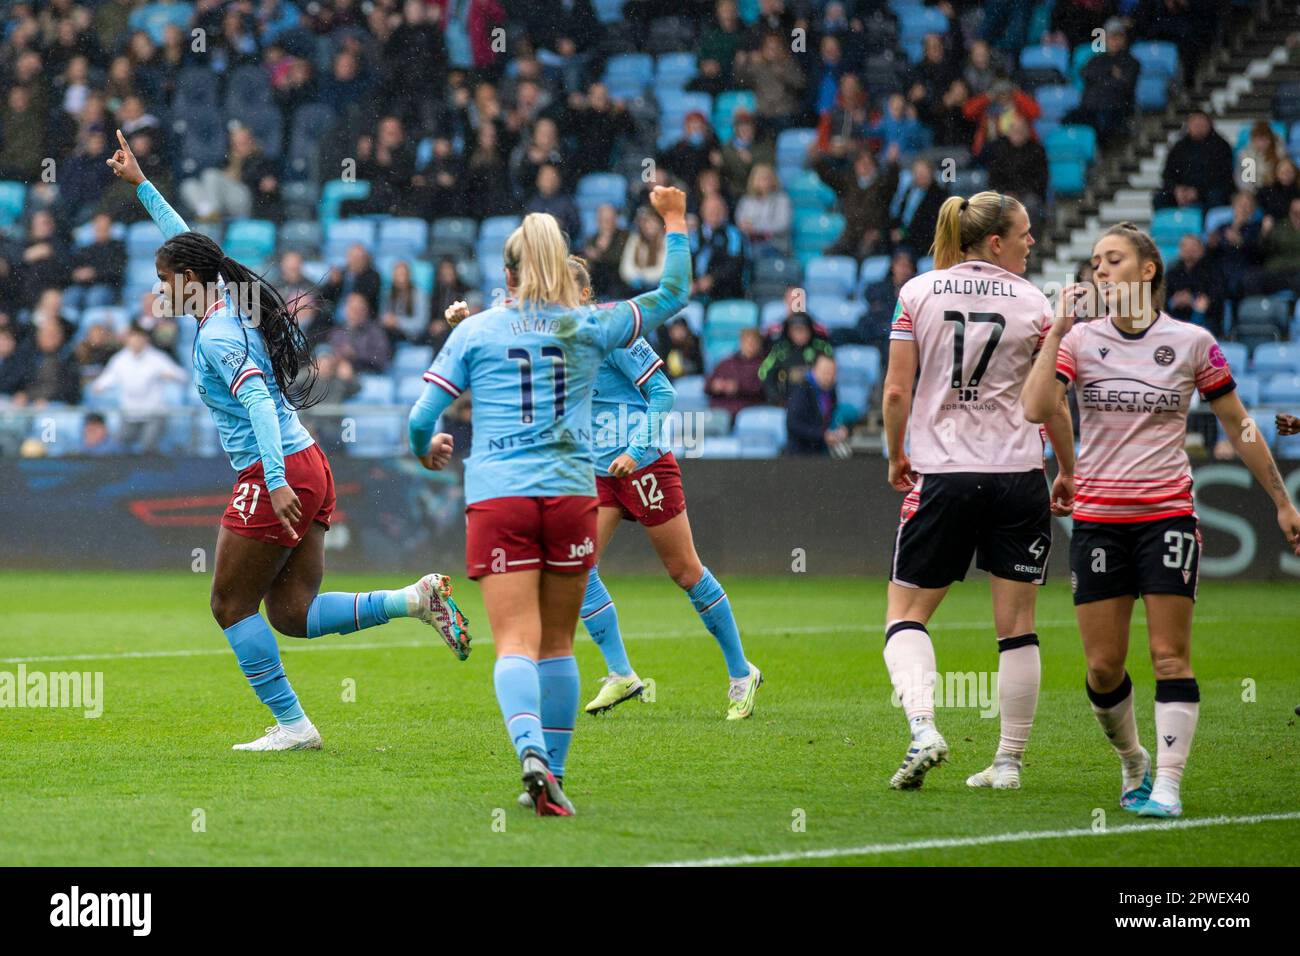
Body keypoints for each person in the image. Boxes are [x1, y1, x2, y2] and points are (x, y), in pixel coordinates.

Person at [106, 129, 470, 752]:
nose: (159, 288)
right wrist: (143, 188)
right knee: (292, 613)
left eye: (165, 278)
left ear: (187, 280)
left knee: (227, 604)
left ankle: (295, 726)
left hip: (277, 471)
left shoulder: (219, 335)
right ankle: (416, 599)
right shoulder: (224, 302)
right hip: (310, 462)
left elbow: (254, 402)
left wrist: (272, 484)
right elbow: (190, 240)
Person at [406, 187, 692, 816]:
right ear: (564, 271)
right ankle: (552, 779)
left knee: (515, 642)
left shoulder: (477, 329)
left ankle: (528, 749)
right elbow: (673, 295)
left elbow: (421, 418)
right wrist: (674, 221)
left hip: (499, 498)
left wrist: (428, 449)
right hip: (569, 494)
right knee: (560, 643)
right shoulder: (592, 323)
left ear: (505, 274)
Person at [1023, 221, 1300, 817]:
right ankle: (1134, 762)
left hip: (1167, 517)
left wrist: (1281, 499)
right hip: (1097, 520)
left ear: (1147, 271)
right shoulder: (1078, 341)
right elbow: (1034, 407)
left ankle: (1169, 787)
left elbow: (1240, 425)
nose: (1100, 271)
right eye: (1095, 261)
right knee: (1102, 667)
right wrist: (1057, 331)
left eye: (1113, 260)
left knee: (1170, 655)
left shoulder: (1194, 342)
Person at [880, 191, 1076, 792]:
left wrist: (896, 455)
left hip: (944, 475)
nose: (1031, 243)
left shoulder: (918, 292)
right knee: (1017, 627)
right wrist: (1065, 468)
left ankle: (923, 729)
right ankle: (1009, 764)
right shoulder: (1036, 303)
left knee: (905, 616)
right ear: (995, 242)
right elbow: (1050, 399)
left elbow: (894, 392)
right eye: (1024, 234)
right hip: (1019, 477)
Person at [88, 324, 189, 453]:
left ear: (145, 339)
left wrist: (172, 376)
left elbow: (182, 376)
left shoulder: (157, 358)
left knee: (147, 447)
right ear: (127, 339)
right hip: (129, 415)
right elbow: (105, 380)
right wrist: (98, 387)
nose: (136, 341)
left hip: (153, 414)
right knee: (118, 447)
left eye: (139, 337)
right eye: (133, 337)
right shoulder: (119, 360)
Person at [787, 353, 852, 456]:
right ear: (814, 370)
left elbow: (832, 416)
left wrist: (842, 430)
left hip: (821, 452)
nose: (829, 376)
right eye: (826, 371)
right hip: (801, 454)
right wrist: (822, 435)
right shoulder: (801, 391)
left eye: (833, 372)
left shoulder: (831, 390)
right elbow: (793, 424)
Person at [705, 326, 765, 418]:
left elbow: (763, 389)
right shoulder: (726, 363)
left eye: (753, 342)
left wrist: (738, 387)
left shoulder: (764, 365)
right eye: (746, 341)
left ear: (759, 345)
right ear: (741, 342)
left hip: (743, 412)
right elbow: (707, 385)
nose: (750, 345)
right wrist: (715, 385)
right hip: (717, 410)